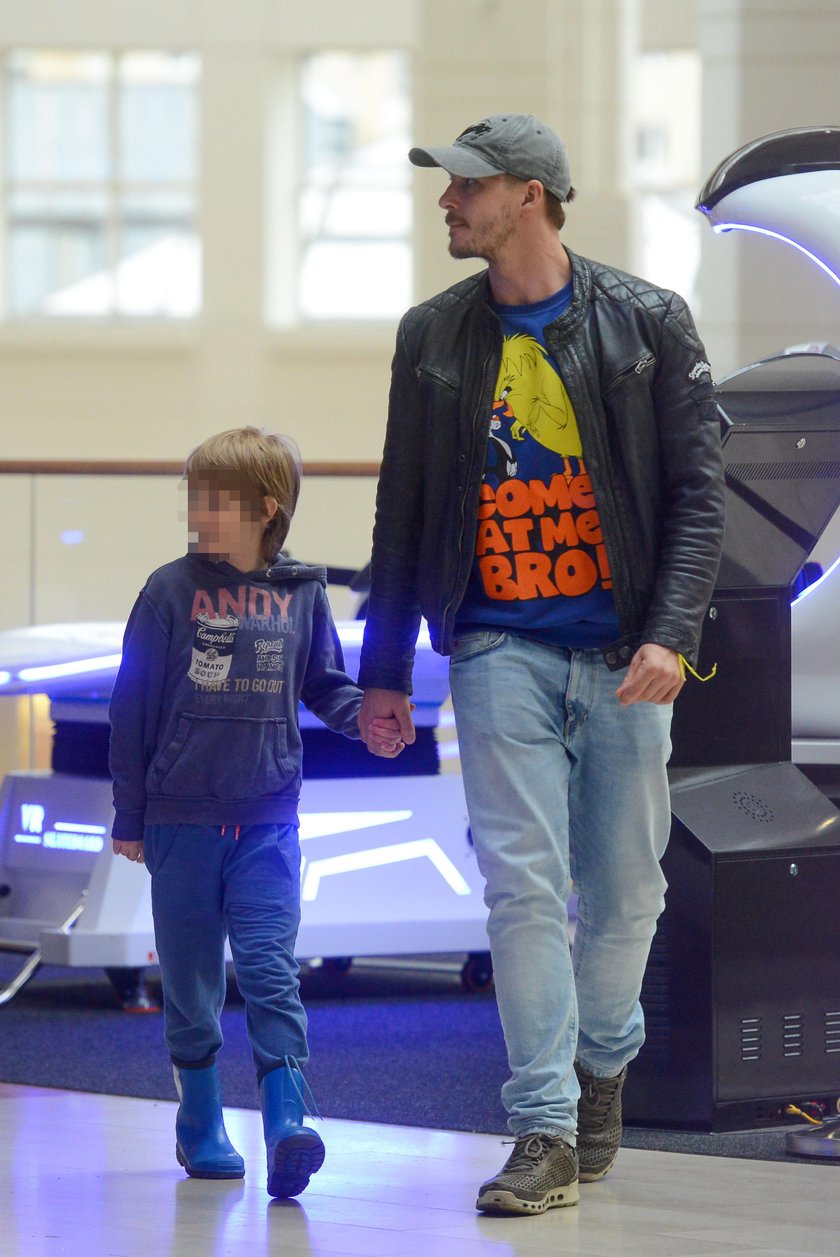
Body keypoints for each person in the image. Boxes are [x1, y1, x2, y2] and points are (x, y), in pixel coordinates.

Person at [358, 114, 725, 1216]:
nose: (446, 202)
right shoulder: (431, 334)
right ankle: (543, 1126)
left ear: (530, 195)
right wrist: (384, 670)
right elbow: (400, 507)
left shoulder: (648, 321)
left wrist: (672, 631)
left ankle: (603, 1062)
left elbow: (699, 497)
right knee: (521, 887)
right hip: (495, 643)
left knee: (626, 893)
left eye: (466, 186)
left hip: (623, 652)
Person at [109, 426, 402, 1198]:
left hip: (269, 821)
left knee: (272, 971)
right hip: (179, 823)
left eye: (212, 500)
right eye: (193, 497)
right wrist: (130, 814)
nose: (195, 513)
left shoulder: (303, 594)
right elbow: (131, 706)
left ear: (265, 508)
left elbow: (325, 685)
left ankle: (286, 1123)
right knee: (192, 983)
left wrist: (365, 718)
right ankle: (201, 1124)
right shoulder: (167, 590)